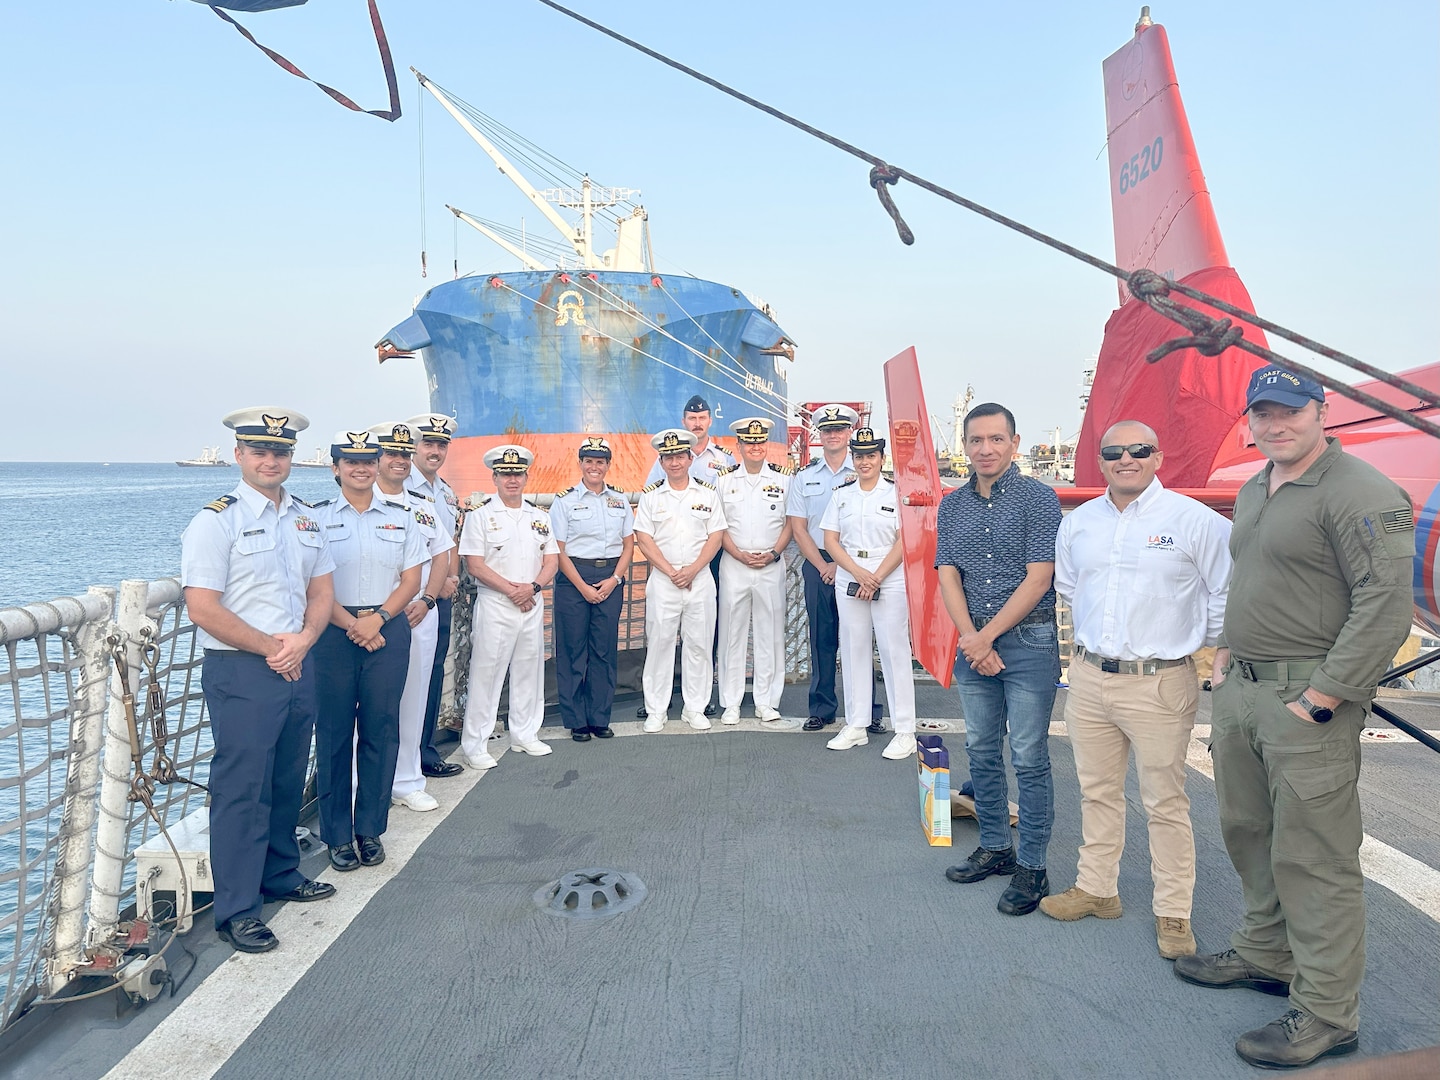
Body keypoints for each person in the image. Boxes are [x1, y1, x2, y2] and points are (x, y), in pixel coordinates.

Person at [1173, 366, 1415, 1070]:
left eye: (1291, 412)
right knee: (1248, 831)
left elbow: (1384, 604)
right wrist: (1224, 653)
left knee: (1315, 857)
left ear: (1322, 411)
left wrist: (1327, 694)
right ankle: (1264, 951)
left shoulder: (1361, 492)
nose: (1276, 425)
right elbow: (1253, 579)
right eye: (1263, 414)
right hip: (1245, 689)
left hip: (1306, 698)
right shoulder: (1258, 484)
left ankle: (1329, 1013)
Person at [1045, 421, 1232, 960]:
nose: (1126, 459)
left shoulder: (1194, 521)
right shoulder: (1080, 523)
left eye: (1139, 450)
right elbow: (1071, 588)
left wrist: (1216, 648)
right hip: (1089, 677)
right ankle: (1097, 888)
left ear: (1158, 456)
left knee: (1165, 802)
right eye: (1113, 452)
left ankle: (1174, 911)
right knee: (1096, 791)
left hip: (1158, 682)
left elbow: (1224, 588)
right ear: (1100, 462)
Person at [181, 407, 336, 953]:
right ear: (239, 455)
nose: (272, 460)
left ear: (291, 457)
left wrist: (306, 641)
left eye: (281, 451)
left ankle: (280, 874)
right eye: (260, 451)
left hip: (298, 662)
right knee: (242, 790)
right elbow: (202, 606)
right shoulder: (214, 522)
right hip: (244, 669)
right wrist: (276, 647)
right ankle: (238, 909)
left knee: (287, 778)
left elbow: (321, 592)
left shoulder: (306, 519)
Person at [935, 402, 1062, 917]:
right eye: (975, 441)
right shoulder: (952, 505)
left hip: (1028, 643)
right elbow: (948, 573)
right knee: (981, 750)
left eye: (995, 439)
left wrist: (985, 637)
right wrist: (971, 638)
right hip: (973, 644)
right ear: (964, 446)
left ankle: (1032, 865)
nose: (985, 449)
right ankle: (996, 846)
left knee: (1029, 757)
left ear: (1014, 442)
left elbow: (1039, 577)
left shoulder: (1039, 498)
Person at [309, 430, 429, 872]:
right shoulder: (316, 519)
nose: (360, 468)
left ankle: (370, 830)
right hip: (332, 632)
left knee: (381, 730)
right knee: (335, 735)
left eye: (367, 460)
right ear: (335, 468)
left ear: (377, 465)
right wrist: (352, 624)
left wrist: (376, 620)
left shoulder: (402, 517)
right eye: (349, 461)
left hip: (387, 629)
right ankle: (337, 835)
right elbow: (311, 584)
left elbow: (411, 580)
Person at [369, 422, 455, 815]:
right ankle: (362, 782)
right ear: (376, 458)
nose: (400, 461)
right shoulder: (356, 502)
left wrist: (429, 599)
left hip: (418, 615)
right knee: (364, 708)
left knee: (414, 700)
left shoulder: (423, 508)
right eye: (393, 454)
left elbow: (442, 553)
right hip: (368, 621)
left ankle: (406, 780)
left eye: (405, 454)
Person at [457, 444, 559, 766]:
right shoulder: (480, 517)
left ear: (526, 477)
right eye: (505, 474)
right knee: (487, 674)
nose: (512, 480)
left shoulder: (539, 516)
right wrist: (513, 591)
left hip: (531, 602)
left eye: (517, 474)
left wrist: (532, 587)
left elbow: (552, 559)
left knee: (530, 670)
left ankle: (525, 734)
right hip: (496, 604)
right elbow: (474, 565)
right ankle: (476, 743)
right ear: (495, 478)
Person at [785, 404, 884, 735]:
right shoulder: (804, 477)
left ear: (849, 434)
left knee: (860, 638)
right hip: (818, 563)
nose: (833, 435)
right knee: (822, 639)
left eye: (839, 430)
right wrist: (823, 565)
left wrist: (844, 566)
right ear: (819, 435)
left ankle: (869, 710)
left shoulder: (863, 471)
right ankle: (821, 707)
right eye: (827, 431)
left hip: (857, 563)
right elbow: (798, 528)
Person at [819, 426, 917, 758]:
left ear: (881, 459)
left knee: (893, 650)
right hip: (851, 571)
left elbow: (905, 540)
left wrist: (875, 576)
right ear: (853, 459)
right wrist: (859, 573)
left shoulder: (894, 493)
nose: (864, 462)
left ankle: (905, 729)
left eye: (870, 456)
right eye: (859, 456)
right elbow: (830, 540)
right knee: (853, 648)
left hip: (887, 573)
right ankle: (857, 724)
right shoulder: (841, 494)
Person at [633, 428, 727, 731]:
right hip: (664, 580)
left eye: (679, 456)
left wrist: (694, 569)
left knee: (699, 644)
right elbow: (643, 538)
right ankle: (656, 710)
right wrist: (671, 571)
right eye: (668, 457)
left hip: (698, 579)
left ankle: (694, 708)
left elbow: (716, 535)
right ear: (662, 462)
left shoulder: (708, 494)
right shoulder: (651, 498)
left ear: (690, 458)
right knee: (660, 645)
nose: (674, 462)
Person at [550, 436, 635, 741]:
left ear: (608, 465)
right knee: (573, 651)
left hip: (610, 578)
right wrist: (583, 587)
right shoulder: (565, 500)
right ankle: (576, 721)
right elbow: (558, 550)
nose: (594, 467)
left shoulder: (620, 500)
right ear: (581, 464)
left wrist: (615, 579)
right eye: (589, 461)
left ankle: (600, 717)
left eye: (600, 462)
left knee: (603, 650)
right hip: (574, 578)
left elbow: (628, 545)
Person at [714, 417, 793, 725]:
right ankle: (730, 702)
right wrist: (740, 555)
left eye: (760, 442)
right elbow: (717, 526)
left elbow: (791, 523)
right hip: (734, 564)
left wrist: (773, 553)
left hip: (771, 565)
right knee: (731, 634)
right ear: (740, 446)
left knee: (770, 635)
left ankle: (767, 701)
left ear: (766, 445)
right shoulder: (724, 480)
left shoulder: (785, 479)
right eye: (749, 443)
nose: (755, 448)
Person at [405, 413, 465, 780]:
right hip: (407, 601)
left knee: (431, 675)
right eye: (428, 443)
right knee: (401, 681)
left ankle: (424, 752)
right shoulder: (397, 488)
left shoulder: (445, 492)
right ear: (414, 447)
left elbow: (450, 542)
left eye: (441, 445)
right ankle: (400, 760)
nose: (435, 451)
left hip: (439, 599)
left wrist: (452, 577)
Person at [643, 393, 735, 486]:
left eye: (702, 418)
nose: (697, 424)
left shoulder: (725, 458)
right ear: (683, 422)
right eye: (692, 418)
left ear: (710, 421)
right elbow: (651, 491)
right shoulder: (668, 457)